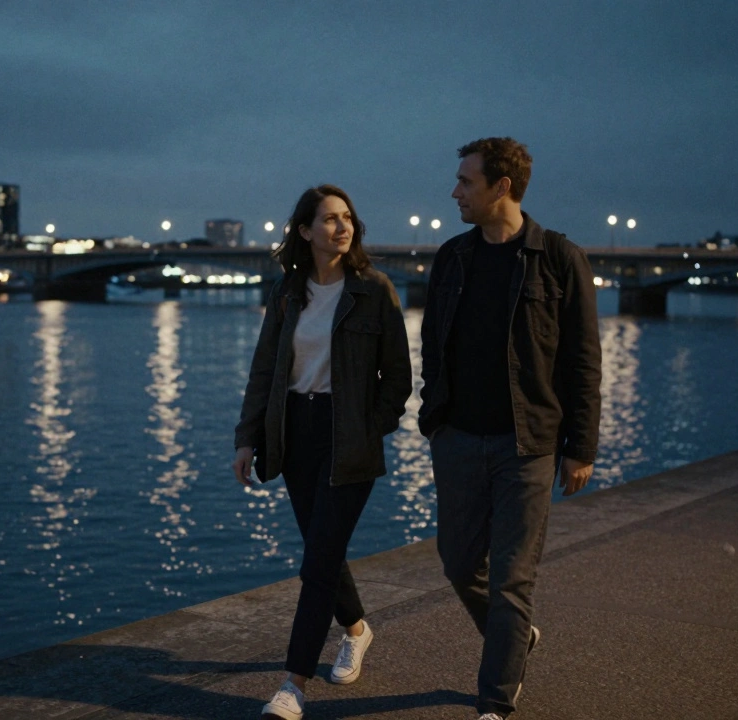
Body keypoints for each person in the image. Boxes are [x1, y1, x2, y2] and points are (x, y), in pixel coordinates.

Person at [419, 138, 602, 719]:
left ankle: (494, 702)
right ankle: (515, 640)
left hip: (528, 445)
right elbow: (432, 346)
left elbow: (582, 360)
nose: (455, 192)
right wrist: (435, 417)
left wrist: (581, 448)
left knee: (511, 579)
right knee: (456, 562)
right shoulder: (452, 257)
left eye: (465, 182)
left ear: (501, 187)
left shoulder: (559, 258)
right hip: (458, 437)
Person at [233, 184, 412, 720]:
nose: (342, 227)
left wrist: (367, 428)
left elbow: (398, 378)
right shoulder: (288, 292)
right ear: (305, 231)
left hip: (346, 436)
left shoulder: (374, 290)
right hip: (294, 431)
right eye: (329, 219)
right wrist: (247, 437)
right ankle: (356, 630)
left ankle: (293, 685)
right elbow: (265, 369)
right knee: (321, 549)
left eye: (347, 218)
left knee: (317, 564)